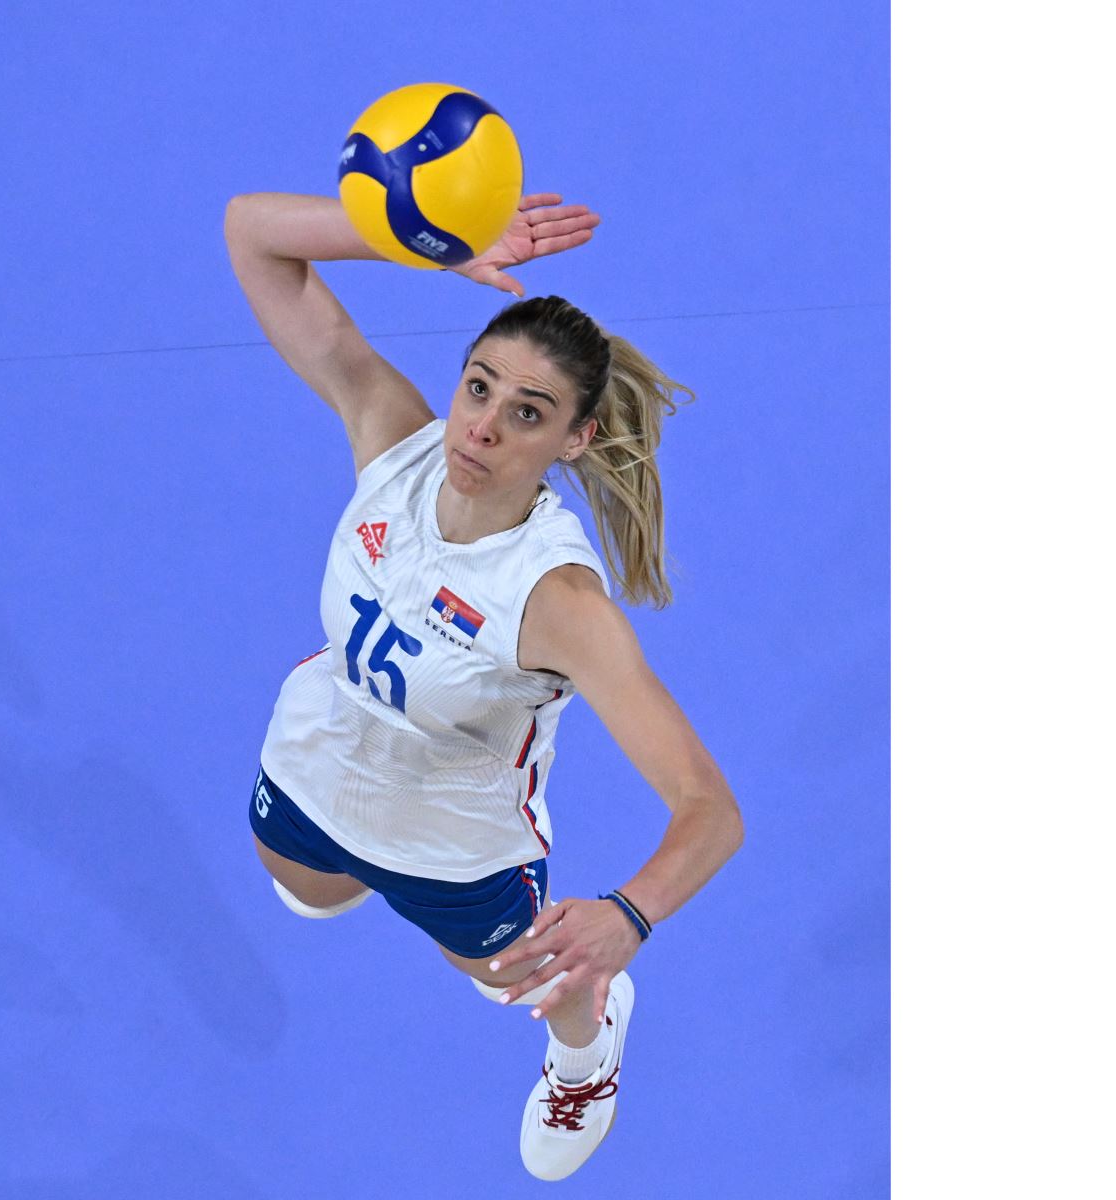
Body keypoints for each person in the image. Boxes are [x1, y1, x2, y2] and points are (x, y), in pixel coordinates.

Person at [224, 189, 744, 1181]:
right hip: (313, 770)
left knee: (538, 986)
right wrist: (422, 236)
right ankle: (337, 868)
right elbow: (252, 233)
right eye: (478, 387)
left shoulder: (558, 603)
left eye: (528, 413)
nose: (482, 429)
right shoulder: (392, 439)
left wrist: (626, 915)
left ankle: (587, 1056)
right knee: (302, 889)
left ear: (574, 440)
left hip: (457, 853)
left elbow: (710, 810)